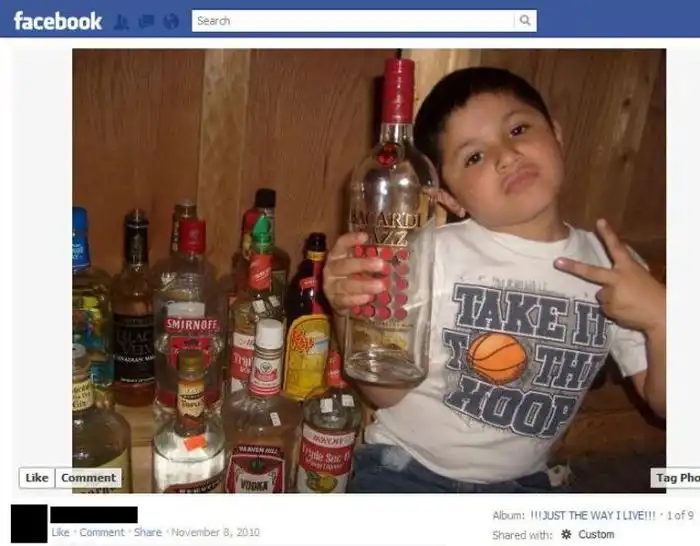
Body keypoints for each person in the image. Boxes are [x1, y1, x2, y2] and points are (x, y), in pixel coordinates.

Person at [323, 67, 666, 494]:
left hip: (526, 484)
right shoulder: (428, 255)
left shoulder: (616, 266)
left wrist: (662, 320)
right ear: (448, 196)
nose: (506, 155)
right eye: (474, 157)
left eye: (518, 129)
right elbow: (385, 394)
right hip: (408, 470)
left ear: (557, 134)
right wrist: (346, 310)